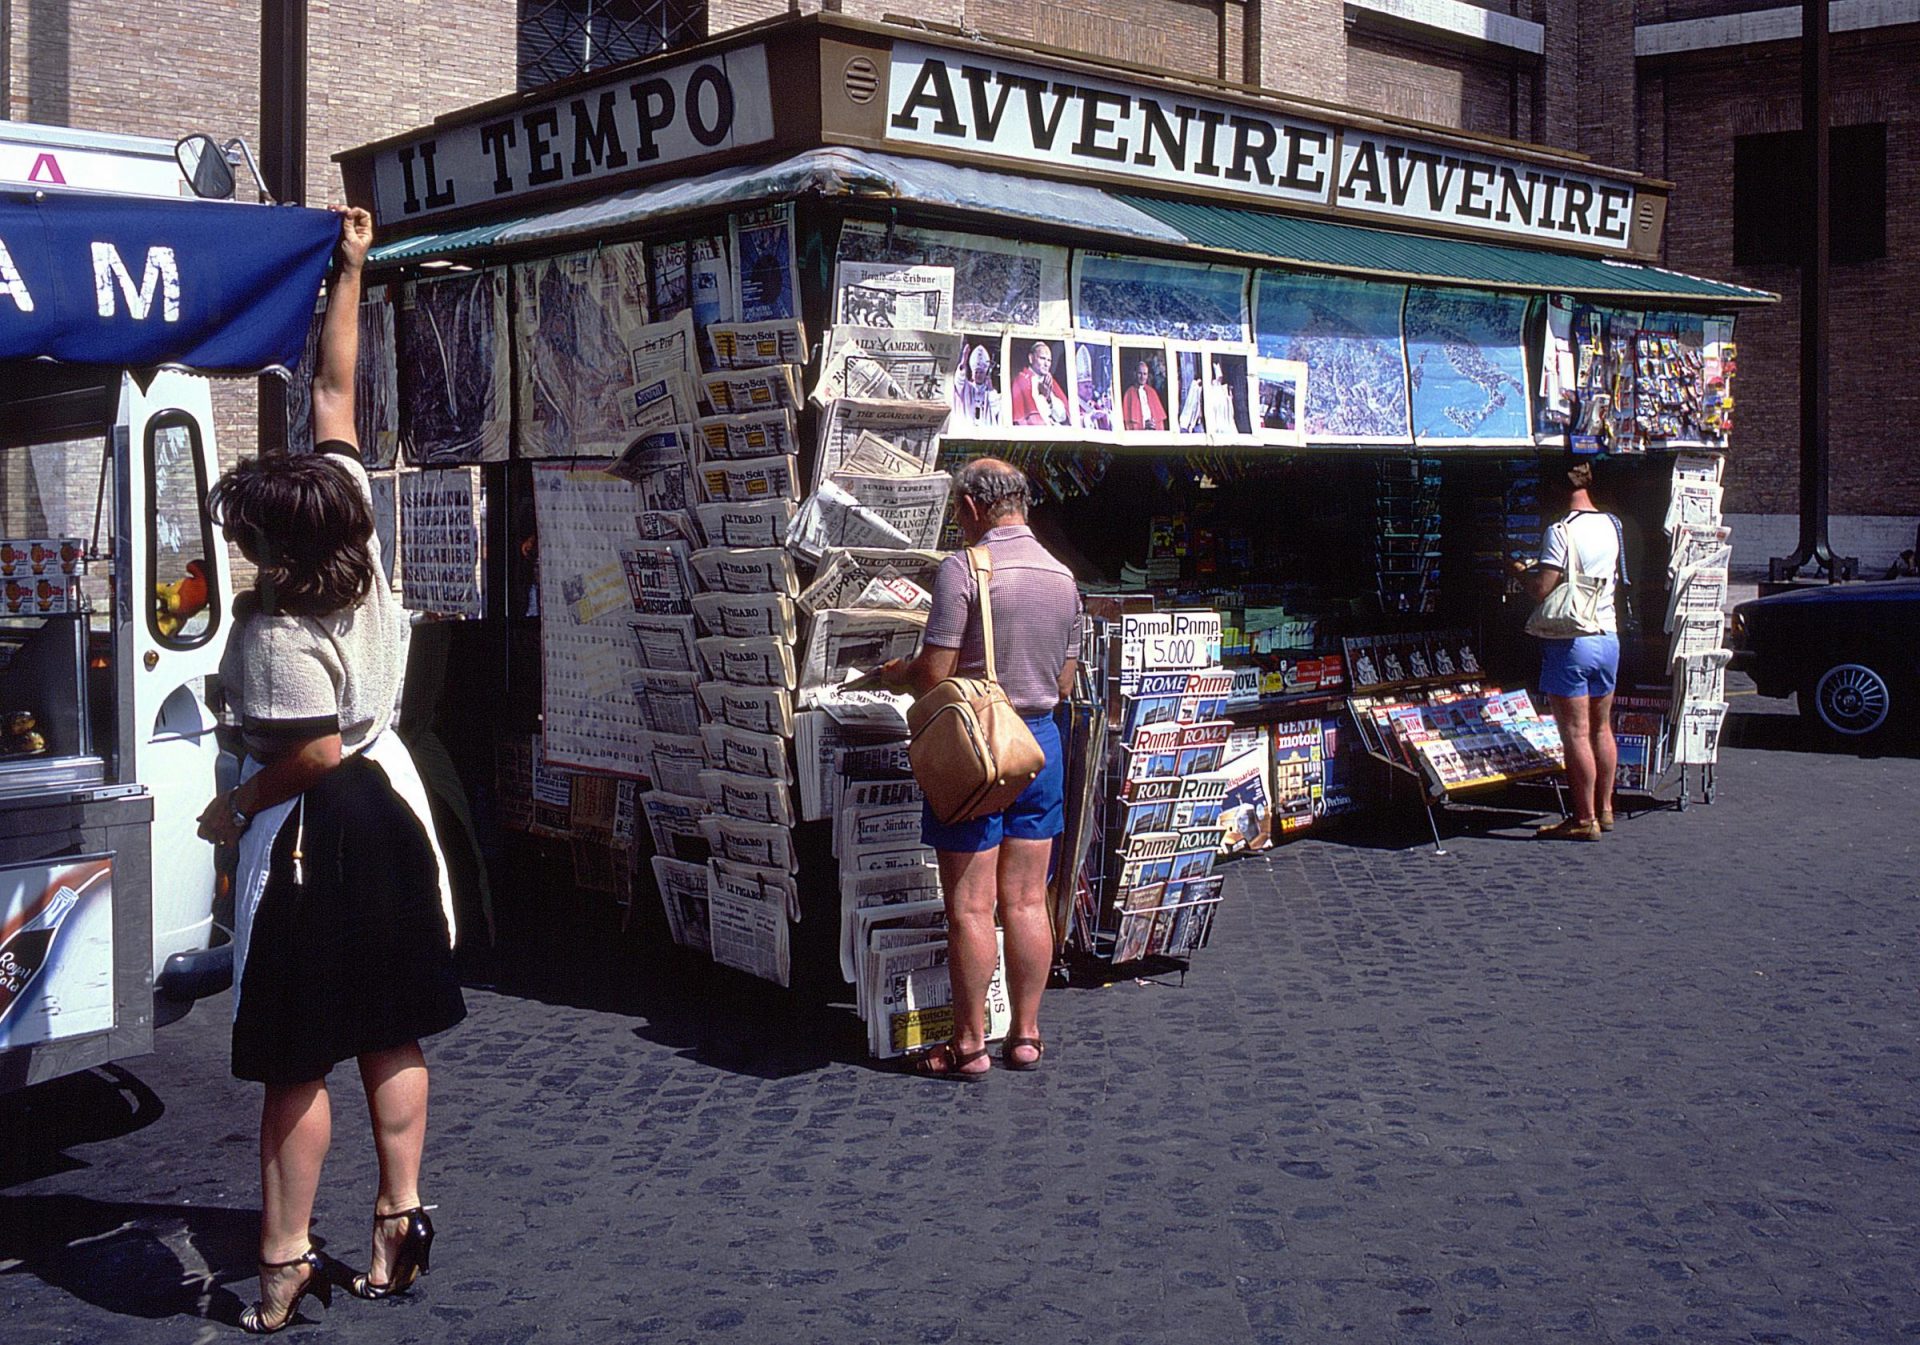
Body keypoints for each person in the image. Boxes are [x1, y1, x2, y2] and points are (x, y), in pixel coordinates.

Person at [197, 207, 465, 1333]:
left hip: (318, 824)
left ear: (272, 544)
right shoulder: (354, 515)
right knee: (392, 1028)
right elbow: (336, 399)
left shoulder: (269, 632)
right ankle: (400, 1221)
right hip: (394, 800)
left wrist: (232, 806)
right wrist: (349, 273)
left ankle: (280, 1265)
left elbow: (303, 752)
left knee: (296, 1060)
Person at [880, 459, 1081, 1078]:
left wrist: (894, 673)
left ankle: (968, 1044)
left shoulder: (963, 569)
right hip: (1038, 745)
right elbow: (1065, 681)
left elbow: (937, 676)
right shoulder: (1062, 577)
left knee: (970, 906)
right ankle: (1025, 1035)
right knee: (1025, 901)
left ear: (970, 507)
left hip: (977, 748)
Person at [1517, 460, 1626, 841]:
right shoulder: (1613, 525)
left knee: (1575, 734)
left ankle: (1583, 818)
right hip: (1608, 636)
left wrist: (1518, 572)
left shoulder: (1560, 530)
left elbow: (1543, 588)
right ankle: (1607, 809)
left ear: (1556, 490)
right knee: (1601, 727)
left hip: (1571, 641)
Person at [1008, 341, 1069, 427]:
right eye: (1042, 358)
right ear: (1031, 358)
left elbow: (1062, 417)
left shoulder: (1052, 382)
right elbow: (1021, 419)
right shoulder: (1021, 381)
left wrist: (1049, 398)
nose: (1046, 364)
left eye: (1049, 360)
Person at [950, 342, 1003, 428]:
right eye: (976, 372)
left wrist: (990, 389)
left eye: (981, 372)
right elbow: (959, 381)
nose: (978, 375)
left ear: (985, 374)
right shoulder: (967, 387)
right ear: (972, 374)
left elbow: (997, 410)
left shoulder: (989, 392)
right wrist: (964, 360)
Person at [1121, 358, 1167, 431]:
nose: (1142, 377)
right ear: (1134, 374)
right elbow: (1127, 423)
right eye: (1140, 373)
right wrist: (1143, 425)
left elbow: (1160, 421)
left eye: (1145, 374)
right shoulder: (1129, 393)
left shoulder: (1152, 392)